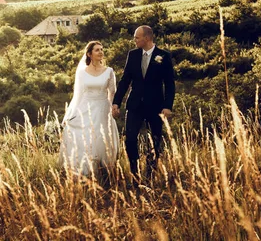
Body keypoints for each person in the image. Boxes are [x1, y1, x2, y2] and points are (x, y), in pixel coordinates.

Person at [111, 25, 175, 184]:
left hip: (156, 106)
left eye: (137, 37)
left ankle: (151, 173)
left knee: (155, 140)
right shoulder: (132, 55)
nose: (134, 40)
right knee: (130, 139)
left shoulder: (164, 56)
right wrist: (116, 102)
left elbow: (170, 84)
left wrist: (168, 106)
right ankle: (135, 173)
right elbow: (125, 80)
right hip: (134, 105)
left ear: (147, 38)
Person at [59, 41, 120, 183]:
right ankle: (85, 173)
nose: (101, 52)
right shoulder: (81, 72)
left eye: (102, 49)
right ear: (89, 54)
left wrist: (112, 108)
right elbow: (78, 95)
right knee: (86, 138)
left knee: (101, 139)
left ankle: (104, 173)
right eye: (97, 50)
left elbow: (112, 92)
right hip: (85, 108)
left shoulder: (109, 71)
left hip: (103, 107)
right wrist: (71, 114)